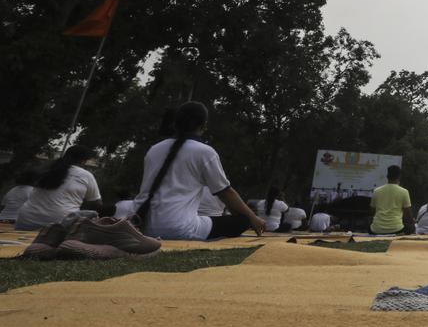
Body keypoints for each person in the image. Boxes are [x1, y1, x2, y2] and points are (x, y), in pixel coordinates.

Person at [130, 101, 265, 240]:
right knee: (243, 220)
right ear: (203, 126)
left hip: (142, 226)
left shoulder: (154, 150)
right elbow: (226, 193)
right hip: (178, 229)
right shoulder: (205, 152)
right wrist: (253, 218)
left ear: (175, 124)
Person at [15, 146, 104, 230]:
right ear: (83, 161)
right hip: (59, 224)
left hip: (26, 220)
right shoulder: (85, 175)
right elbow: (97, 203)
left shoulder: (47, 169)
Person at [369, 165, 413, 235]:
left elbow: (372, 211)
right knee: (411, 227)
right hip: (396, 229)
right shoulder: (404, 192)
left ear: (387, 176)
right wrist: (412, 223)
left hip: (376, 229)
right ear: (399, 177)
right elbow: (407, 214)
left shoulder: (376, 191)